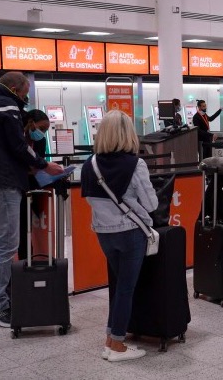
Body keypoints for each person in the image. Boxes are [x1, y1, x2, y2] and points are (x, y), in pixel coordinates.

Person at [0, 72, 63, 327]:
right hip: (3, 182)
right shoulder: (7, 106)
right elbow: (17, 146)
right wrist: (44, 165)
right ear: (14, 88)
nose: (25, 97)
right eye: (24, 92)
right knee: (7, 246)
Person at [81, 110, 158, 361]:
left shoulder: (90, 164)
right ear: (128, 134)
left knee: (118, 286)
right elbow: (152, 204)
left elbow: (90, 199)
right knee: (125, 289)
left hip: (103, 233)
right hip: (131, 233)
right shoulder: (136, 164)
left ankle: (110, 338)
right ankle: (117, 345)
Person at [17, 110, 51, 260]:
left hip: (33, 185)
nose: (42, 133)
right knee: (19, 225)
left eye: (46, 130)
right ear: (31, 123)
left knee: (27, 224)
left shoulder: (40, 140)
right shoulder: (17, 137)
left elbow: (39, 161)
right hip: (17, 185)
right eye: (41, 128)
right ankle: (22, 259)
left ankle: (28, 257)